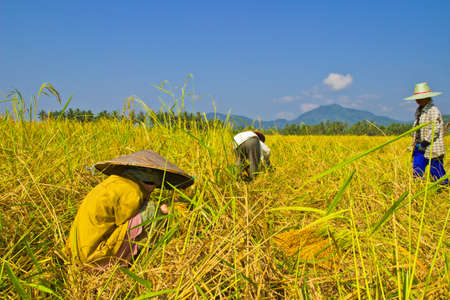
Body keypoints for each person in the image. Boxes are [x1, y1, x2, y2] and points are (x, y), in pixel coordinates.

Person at [65, 150, 194, 268]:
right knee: (153, 213)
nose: (153, 188)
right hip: (94, 257)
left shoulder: (115, 183)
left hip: (77, 252)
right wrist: (163, 211)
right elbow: (127, 219)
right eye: (150, 183)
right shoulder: (131, 191)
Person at [404, 82, 448, 186]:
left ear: (427, 98)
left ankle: (443, 188)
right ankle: (418, 187)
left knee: (436, 170)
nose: (417, 100)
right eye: (417, 98)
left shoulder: (433, 110)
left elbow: (436, 127)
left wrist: (425, 141)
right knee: (417, 168)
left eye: (420, 98)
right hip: (419, 146)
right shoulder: (419, 111)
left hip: (432, 147)